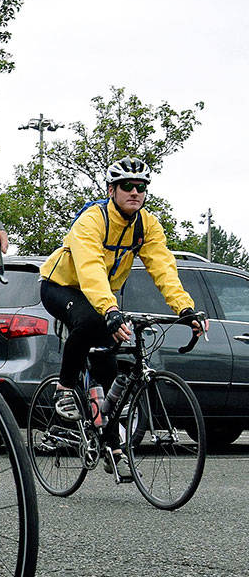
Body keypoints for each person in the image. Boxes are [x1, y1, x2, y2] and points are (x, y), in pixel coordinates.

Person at [38, 156, 205, 475]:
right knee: (89, 322)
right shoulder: (92, 220)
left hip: (101, 297)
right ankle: (65, 391)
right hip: (61, 285)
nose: (135, 192)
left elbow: (163, 269)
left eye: (141, 187)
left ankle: (112, 446)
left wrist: (184, 308)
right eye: (127, 186)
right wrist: (110, 310)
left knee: (109, 369)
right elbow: (90, 268)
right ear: (111, 190)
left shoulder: (147, 226)